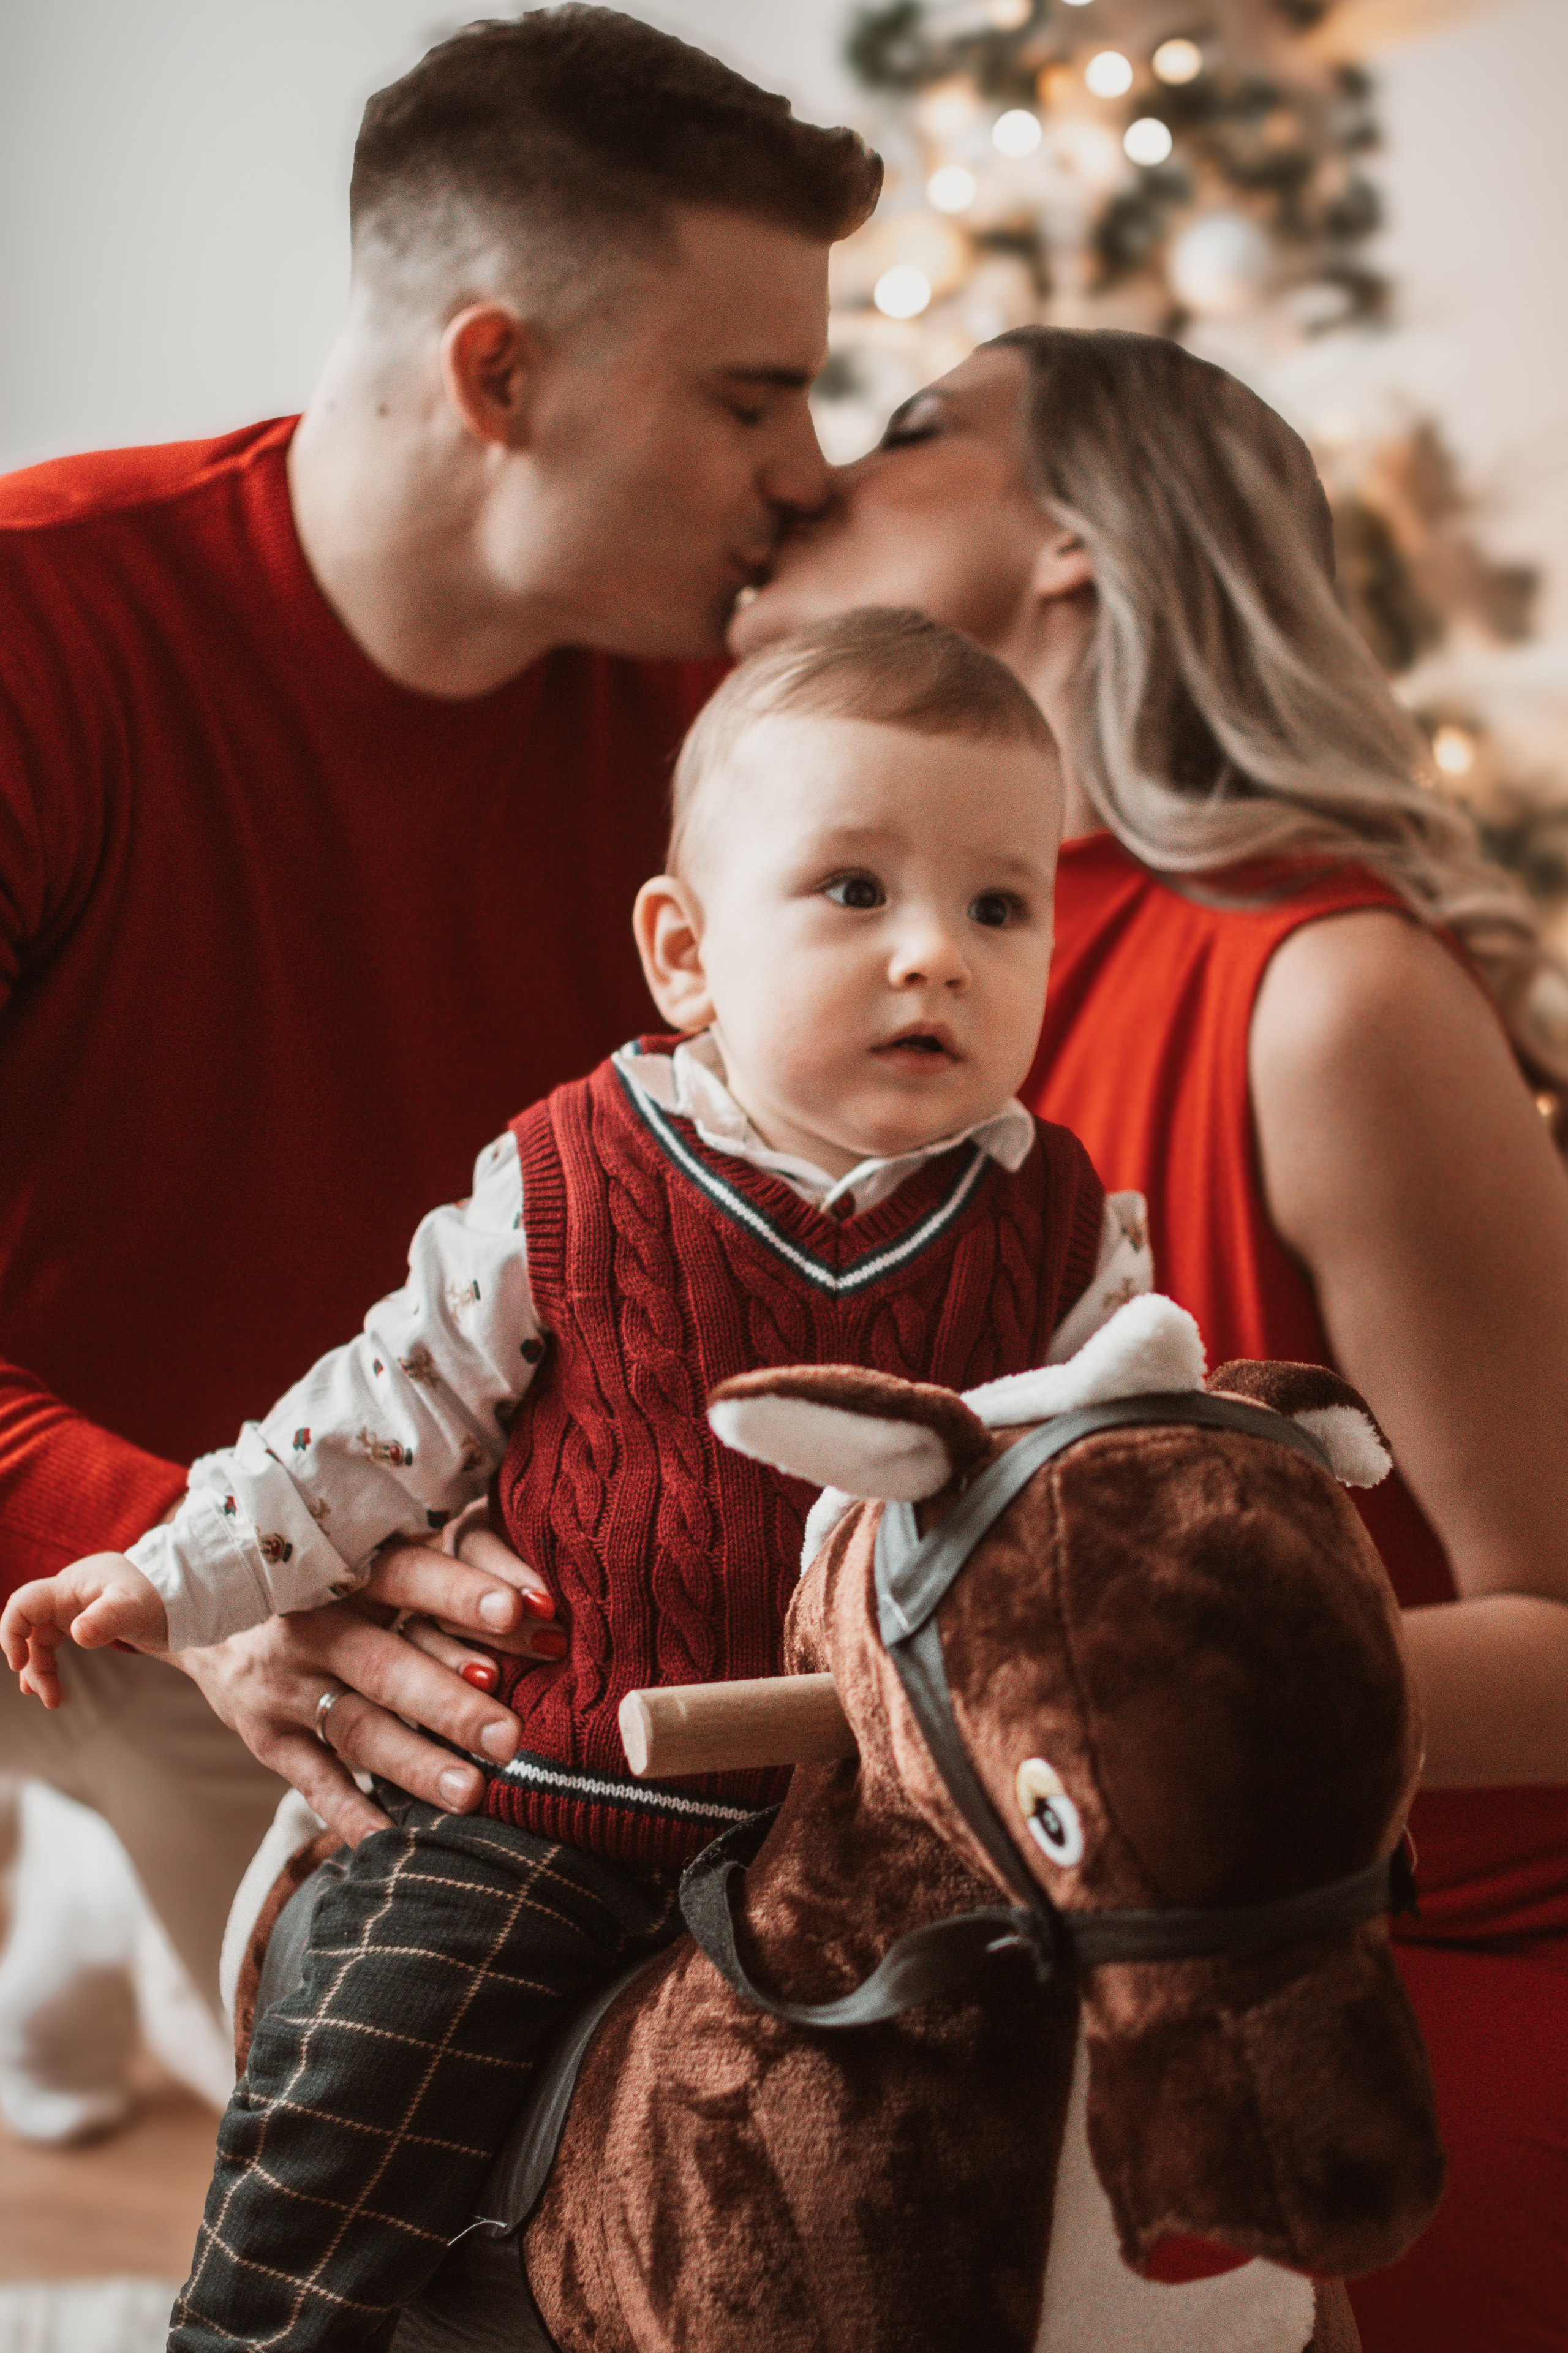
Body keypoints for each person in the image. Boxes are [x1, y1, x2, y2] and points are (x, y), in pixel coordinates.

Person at [7, 610, 1147, 2349]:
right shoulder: (569, 1177)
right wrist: (176, 1569)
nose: (936, 955)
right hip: (547, 1795)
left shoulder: (1063, 1225)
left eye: (999, 907)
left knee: (1019, 2102)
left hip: (875, 1815)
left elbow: (1118, 1477)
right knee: (368, 2065)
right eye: (856, 891)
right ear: (686, 952)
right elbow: (372, 1419)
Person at [0, 2, 880, 2123]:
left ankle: (88, 1915)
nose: (812, 477)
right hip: (103, 1526)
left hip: (453, 1525)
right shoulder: (42, 634)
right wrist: (206, 1584)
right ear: (500, 374)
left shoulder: (716, 719)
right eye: (752, 397)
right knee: (395, 2134)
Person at [735, 329, 1568, 2353]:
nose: (814, 465)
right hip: (1002, 1955)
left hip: (1370, 1996)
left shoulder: (1325, 993)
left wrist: (1057, 1711)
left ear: (1079, 555)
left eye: (916, 427)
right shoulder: (831, 986)